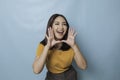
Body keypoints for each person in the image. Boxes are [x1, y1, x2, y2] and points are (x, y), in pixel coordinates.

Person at [32, 14, 87, 80]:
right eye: (57, 24)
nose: (61, 27)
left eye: (64, 24)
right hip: (52, 77)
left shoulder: (71, 43)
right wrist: (47, 47)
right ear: (50, 27)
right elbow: (36, 70)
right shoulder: (43, 45)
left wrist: (74, 45)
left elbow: (83, 66)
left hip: (70, 76)